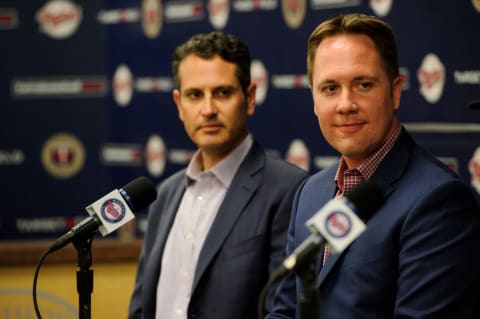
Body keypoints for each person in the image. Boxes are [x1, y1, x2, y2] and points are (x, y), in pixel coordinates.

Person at [267, 13, 480, 318]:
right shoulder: (309, 193)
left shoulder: (439, 201)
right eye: (330, 88)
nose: (345, 104)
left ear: (394, 91)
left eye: (363, 84)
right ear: (313, 99)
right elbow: (286, 312)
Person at [128, 31, 308, 319]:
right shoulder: (165, 194)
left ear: (249, 98)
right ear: (179, 105)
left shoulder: (289, 190)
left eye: (222, 93)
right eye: (195, 95)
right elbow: (140, 308)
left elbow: (285, 310)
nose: (208, 109)